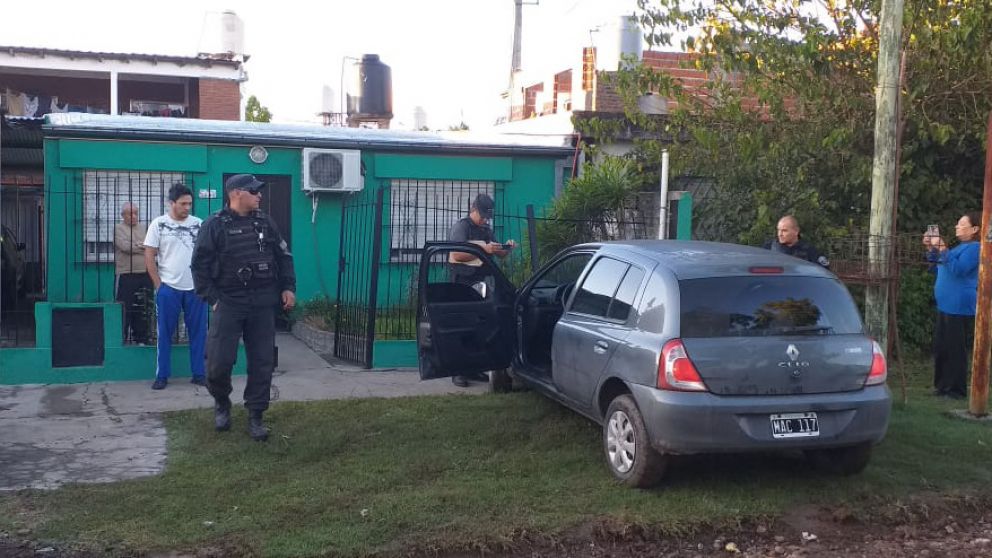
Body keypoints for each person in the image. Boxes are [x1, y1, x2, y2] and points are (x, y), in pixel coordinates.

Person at [191, 174, 296, 442]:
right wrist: (212, 298)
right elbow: (199, 266)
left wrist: (288, 287)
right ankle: (222, 402)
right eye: (254, 191)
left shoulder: (265, 222)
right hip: (228, 301)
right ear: (236, 193)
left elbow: (283, 256)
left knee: (262, 362)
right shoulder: (214, 225)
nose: (259, 195)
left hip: (262, 301)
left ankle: (256, 415)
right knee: (218, 363)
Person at [447, 193, 515, 388]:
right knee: (462, 326)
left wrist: (506, 248)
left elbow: (497, 252)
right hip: (462, 283)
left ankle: (474, 368)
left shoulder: (485, 229)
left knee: (479, 326)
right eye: (483, 215)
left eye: (487, 216)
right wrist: (482, 250)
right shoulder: (462, 227)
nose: (485, 219)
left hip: (481, 283)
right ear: (473, 209)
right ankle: (458, 371)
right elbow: (457, 254)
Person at [144, 183, 207, 390]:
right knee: (165, 333)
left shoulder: (198, 224)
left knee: (198, 333)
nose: (187, 207)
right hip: (168, 288)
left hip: (195, 289)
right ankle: (162, 376)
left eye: (190, 203)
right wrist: (159, 285)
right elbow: (149, 255)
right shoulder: (158, 224)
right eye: (183, 204)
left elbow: (208, 254)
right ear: (171, 203)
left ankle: (198, 373)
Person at [924, 212, 982, 400]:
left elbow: (959, 270)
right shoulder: (959, 248)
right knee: (941, 346)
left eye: (961, 224)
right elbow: (935, 267)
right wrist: (931, 248)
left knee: (955, 349)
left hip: (959, 305)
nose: (956, 226)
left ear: (974, 229)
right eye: (957, 224)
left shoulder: (975, 248)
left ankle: (956, 390)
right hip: (945, 304)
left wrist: (942, 248)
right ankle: (941, 386)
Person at [114, 202, 152, 345]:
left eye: (136, 213)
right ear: (123, 215)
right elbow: (124, 246)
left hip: (145, 272)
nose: (134, 216)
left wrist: (138, 245)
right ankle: (121, 337)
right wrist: (141, 246)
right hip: (127, 273)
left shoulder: (144, 227)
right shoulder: (118, 228)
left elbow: (151, 246)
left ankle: (142, 338)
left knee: (143, 306)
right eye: (130, 213)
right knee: (125, 306)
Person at [763, 215, 830, 268]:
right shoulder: (769, 248)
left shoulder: (810, 251)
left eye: (784, 231)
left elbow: (823, 273)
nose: (780, 234)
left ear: (796, 231)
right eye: (778, 230)